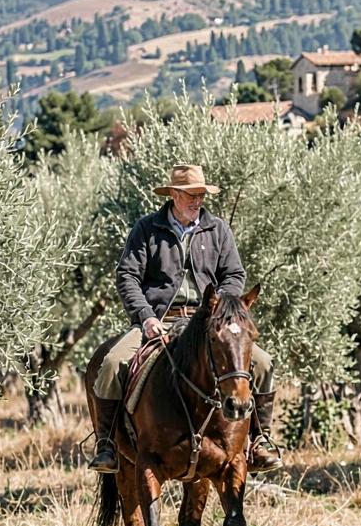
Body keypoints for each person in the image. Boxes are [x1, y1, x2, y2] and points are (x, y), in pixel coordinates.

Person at [88, 164, 281, 473]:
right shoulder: (147, 229)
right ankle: (107, 444)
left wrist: (221, 308)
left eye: (201, 195)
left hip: (207, 322)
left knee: (262, 362)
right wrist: (145, 316)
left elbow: (234, 274)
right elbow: (127, 277)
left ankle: (260, 441)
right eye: (191, 195)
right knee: (112, 364)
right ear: (174, 194)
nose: (198, 201)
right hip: (159, 320)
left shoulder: (217, 229)